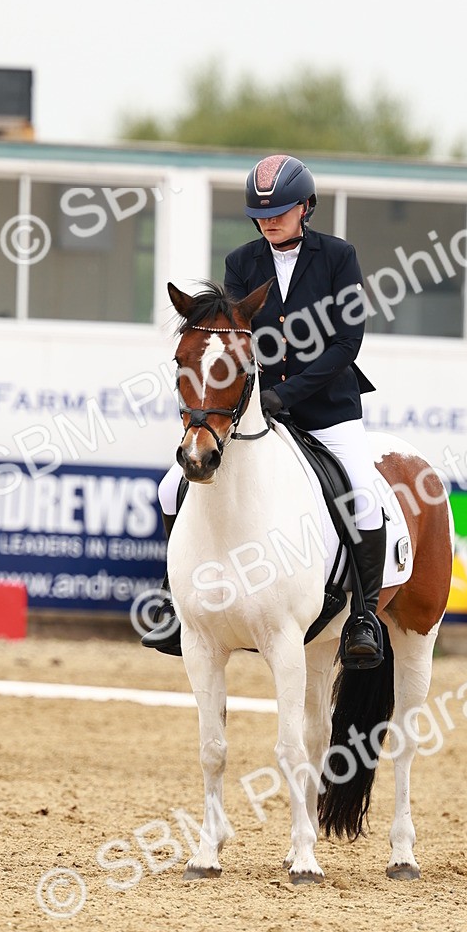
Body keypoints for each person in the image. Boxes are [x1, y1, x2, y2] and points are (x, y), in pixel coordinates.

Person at [142, 153, 386, 666]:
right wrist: (253, 398)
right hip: (260, 413)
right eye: (260, 213)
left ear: (306, 207)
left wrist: (287, 394)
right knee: (171, 486)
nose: (269, 220)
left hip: (328, 408)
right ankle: (172, 598)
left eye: (280, 210)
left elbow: (346, 343)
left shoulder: (339, 257)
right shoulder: (241, 262)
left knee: (362, 496)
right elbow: (233, 342)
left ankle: (363, 617)